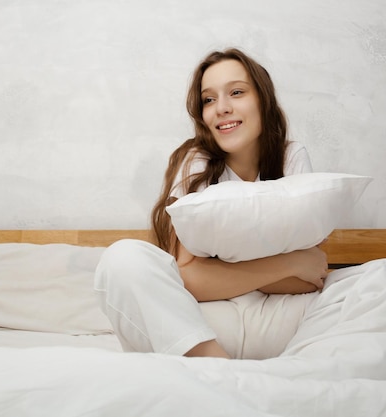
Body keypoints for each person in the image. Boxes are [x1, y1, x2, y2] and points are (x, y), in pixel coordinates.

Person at [94, 48, 329, 359]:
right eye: (209, 99)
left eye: (236, 92)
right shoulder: (195, 161)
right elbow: (191, 280)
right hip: (204, 323)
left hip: (282, 319)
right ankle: (216, 367)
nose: (222, 108)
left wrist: (221, 271)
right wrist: (288, 264)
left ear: (263, 99)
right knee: (123, 258)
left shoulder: (292, 157)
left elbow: (310, 280)